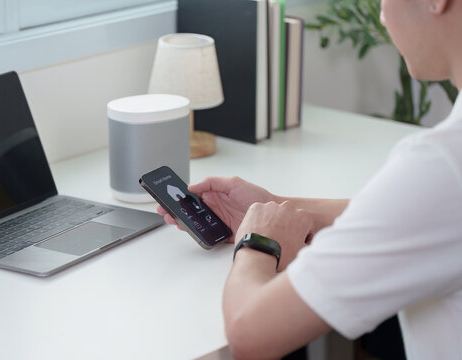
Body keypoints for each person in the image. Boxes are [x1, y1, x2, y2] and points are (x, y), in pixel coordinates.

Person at [158, 0, 462, 358]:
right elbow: (429, 215)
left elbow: (250, 334)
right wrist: (281, 210)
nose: (381, 12)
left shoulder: (442, 165)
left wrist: (258, 244)